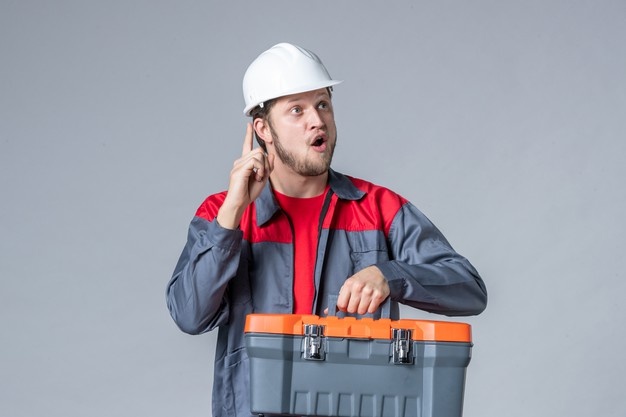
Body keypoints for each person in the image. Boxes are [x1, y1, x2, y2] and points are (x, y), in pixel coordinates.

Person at [166, 42, 487, 417]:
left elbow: (470, 289)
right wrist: (233, 212)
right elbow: (189, 314)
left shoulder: (378, 208)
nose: (317, 120)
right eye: (296, 110)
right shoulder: (223, 215)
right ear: (262, 129)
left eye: (322, 104)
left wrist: (390, 275)